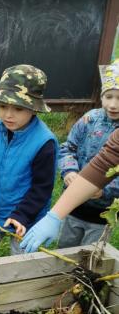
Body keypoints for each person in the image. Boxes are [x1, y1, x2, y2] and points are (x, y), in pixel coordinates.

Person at [0, 64, 58, 261]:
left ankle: (21, 287)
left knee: (23, 260)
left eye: (18, 108)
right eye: (3, 106)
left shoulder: (43, 142)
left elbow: (42, 187)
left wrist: (22, 215)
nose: (8, 114)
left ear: (34, 109)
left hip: (25, 218)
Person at [20, 127, 119, 253]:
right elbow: (105, 163)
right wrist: (54, 216)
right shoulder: (90, 120)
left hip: (101, 214)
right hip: (76, 212)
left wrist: (106, 191)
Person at [57, 60, 119, 248]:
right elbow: (68, 148)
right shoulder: (89, 119)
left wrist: (104, 190)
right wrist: (69, 171)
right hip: (74, 205)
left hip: (103, 212)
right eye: (108, 96)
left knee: (91, 256)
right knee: (65, 248)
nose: (113, 104)